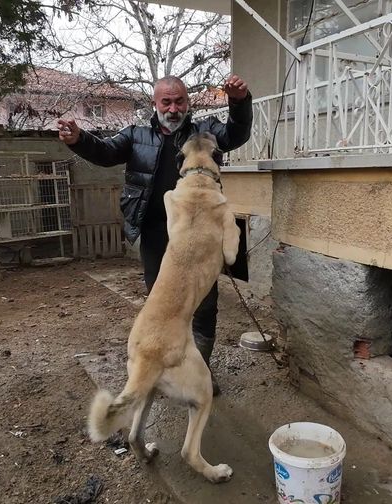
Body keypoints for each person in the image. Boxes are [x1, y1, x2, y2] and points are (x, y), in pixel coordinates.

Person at [58, 75, 252, 395]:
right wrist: (79, 139)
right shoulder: (135, 135)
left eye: (179, 101)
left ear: (187, 102)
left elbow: (236, 133)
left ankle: (201, 373)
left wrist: (239, 102)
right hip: (155, 235)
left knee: (205, 306)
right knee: (163, 306)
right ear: (155, 104)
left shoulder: (204, 133)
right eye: (167, 102)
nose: (173, 109)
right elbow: (106, 152)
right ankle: (170, 366)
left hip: (199, 237)